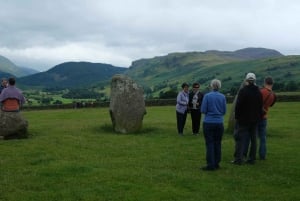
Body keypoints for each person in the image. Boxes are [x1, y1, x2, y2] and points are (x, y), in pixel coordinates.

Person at [232, 73, 263, 165]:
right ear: (254, 81)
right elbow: (260, 106)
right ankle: (252, 159)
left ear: (246, 80)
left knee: (240, 139)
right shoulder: (258, 92)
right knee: (254, 139)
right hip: (255, 120)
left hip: (243, 120)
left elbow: (238, 105)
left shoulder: (243, 91)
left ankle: (239, 159)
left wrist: (237, 117)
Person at [200, 79, 226, 170]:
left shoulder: (207, 96)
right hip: (219, 122)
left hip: (208, 122)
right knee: (218, 143)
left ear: (211, 86)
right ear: (219, 86)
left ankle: (210, 164)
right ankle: (217, 163)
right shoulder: (223, 97)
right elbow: (224, 111)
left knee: (210, 143)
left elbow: (203, 110)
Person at [258, 76, 276, 160]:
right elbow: (271, 105)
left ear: (265, 82)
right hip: (264, 117)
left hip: (256, 116)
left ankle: (250, 155)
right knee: (263, 138)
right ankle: (262, 155)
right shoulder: (273, 95)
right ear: (272, 84)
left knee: (252, 137)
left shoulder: (261, 91)